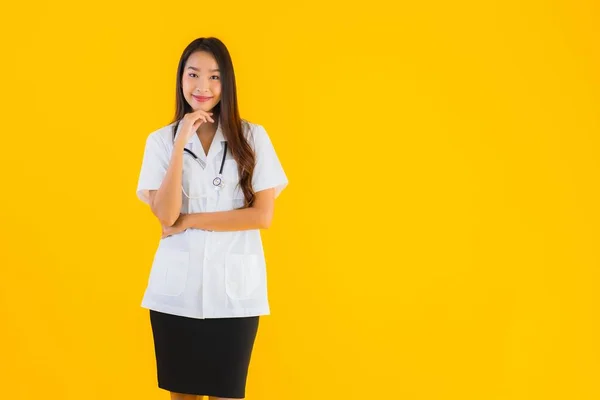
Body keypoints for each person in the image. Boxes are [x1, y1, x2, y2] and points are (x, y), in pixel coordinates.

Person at [135, 37, 289, 400]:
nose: (203, 86)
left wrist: (189, 222)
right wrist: (180, 141)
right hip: (176, 297)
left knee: (227, 394)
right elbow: (167, 213)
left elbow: (261, 215)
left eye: (214, 77)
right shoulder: (160, 141)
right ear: (181, 79)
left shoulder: (252, 137)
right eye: (194, 75)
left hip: (234, 296)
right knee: (182, 397)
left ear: (227, 82)